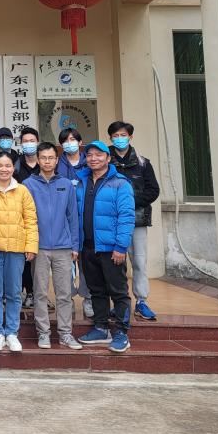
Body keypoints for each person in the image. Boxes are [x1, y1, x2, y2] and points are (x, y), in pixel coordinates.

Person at [75, 140, 136, 353]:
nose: (93, 158)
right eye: (89, 155)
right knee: (96, 290)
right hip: (87, 247)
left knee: (118, 291)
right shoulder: (81, 182)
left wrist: (121, 247)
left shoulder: (120, 183)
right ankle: (101, 328)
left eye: (98, 154)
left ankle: (121, 332)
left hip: (111, 248)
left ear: (108, 158)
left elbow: (126, 216)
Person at [23, 143, 82, 351]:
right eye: (43, 158)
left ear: (57, 160)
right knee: (40, 292)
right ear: (38, 160)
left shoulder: (66, 184)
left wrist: (75, 245)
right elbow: (25, 217)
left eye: (51, 158)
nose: (47, 161)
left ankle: (65, 333)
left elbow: (73, 217)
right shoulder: (28, 185)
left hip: (63, 247)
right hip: (38, 247)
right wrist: (28, 245)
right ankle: (43, 333)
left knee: (64, 293)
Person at [0, 149, 38, 354]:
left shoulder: (22, 191)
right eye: (0, 165)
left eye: (8, 165)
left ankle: (12, 333)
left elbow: (30, 220)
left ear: (13, 168)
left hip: (16, 249)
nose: (4, 169)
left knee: (14, 293)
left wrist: (31, 246)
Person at [107, 120, 161, 322]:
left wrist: (128, 203)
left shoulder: (143, 163)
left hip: (137, 220)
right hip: (111, 221)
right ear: (110, 138)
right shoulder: (104, 160)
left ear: (130, 137)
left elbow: (153, 190)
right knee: (114, 263)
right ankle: (119, 303)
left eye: (123, 135)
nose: (119, 139)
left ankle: (141, 301)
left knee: (139, 261)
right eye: (115, 136)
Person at [55, 127, 93, 320]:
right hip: (63, 220)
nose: (69, 143)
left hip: (86, 218)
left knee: (86, 263)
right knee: (65, 264)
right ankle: (66, 301)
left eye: (72, 139)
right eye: (65, 140)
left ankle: (88, 300)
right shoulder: (57, 164)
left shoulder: (90, 163)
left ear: (80, 142)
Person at [15, 127, 41, 308]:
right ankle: (27, 292)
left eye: (32, 141)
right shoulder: (16, 166)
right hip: (21, 218)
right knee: (25, 259)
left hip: (43, 217)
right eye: (25, 141)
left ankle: (39, 294)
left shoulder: (45, 163)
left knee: (40, 260)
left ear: (37, 142)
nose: (29, 144)